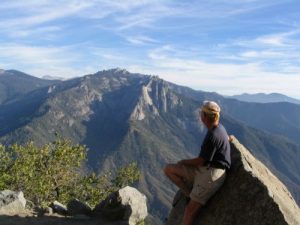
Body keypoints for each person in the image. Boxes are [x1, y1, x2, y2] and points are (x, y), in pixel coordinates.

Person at [164, 101, 231, 225]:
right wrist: (229, 138)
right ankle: (190, 194)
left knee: (189, 211)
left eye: (201, 113)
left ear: (204, 117)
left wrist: (184, 162)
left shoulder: (212, 135)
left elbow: (201, 161)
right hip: (205, 169)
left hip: (211, 174)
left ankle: (194, 198)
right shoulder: (219, 128)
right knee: (169, 169)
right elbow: (225, 138)